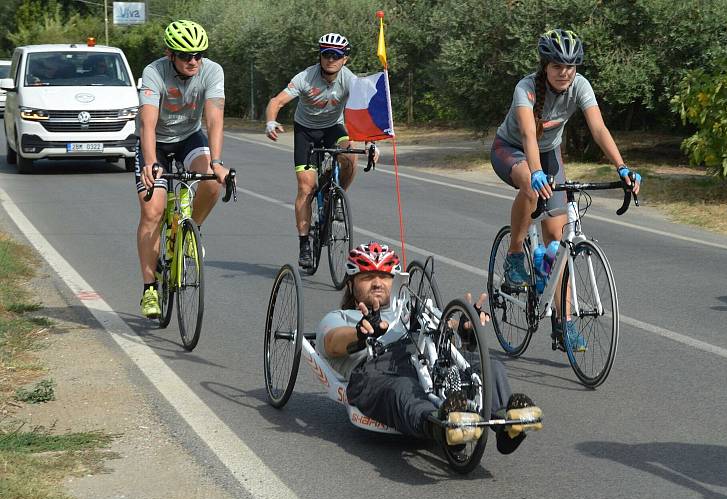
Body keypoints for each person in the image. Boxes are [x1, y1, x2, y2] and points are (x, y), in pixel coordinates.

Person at [491, 29, 642, 348]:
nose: (565, 73)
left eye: (571, 67)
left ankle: (565, 322)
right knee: (531, 191)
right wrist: (534, 173)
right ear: (545, 66)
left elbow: (599, 128)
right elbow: (530, 137)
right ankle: (516, 254)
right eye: (558, 66)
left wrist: (622, 166)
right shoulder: (526, 89)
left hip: (549, 154)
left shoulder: (581, 86)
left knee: (558, 243)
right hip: (511, 149)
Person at [316, 242, 542, 455]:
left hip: (426, 357)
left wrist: (465, 327)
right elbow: (331, 343)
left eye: (385, 276)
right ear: (351, 284)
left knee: (489, 365)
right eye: (367, 277)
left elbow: (444, 329)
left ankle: (508, 423)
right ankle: (443, 428)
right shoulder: (343, 317)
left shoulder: (411, 309)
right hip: (380, 369)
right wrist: (360, 332)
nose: (377, 283)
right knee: (402, 388)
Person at [135, 19, 232, 319]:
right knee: (153, 212)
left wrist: (216, 162)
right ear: (170, 54)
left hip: (190, 137)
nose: (193, 61)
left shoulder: (212, 71)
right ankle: (150, 288)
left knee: (213, 182)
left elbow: (214, 118)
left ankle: (193, 231)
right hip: (157, 143)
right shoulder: (154, 73)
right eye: (186, 55)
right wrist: (151, 162)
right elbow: (147, 124)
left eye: (198, 55)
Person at [264, 33, 377, 269]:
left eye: (336, 55)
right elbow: (277, 101)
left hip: (333, 128)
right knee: (306, 188)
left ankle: (335, 196)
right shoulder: (306, 77)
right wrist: (270, 121)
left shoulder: (350, 80)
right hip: (305, 131)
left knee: (349, 157)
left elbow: (363, 114)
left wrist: (370, 144)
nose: (330, 59)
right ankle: (305, 243)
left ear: (345, 59)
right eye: (326, 54)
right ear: (320, 56)